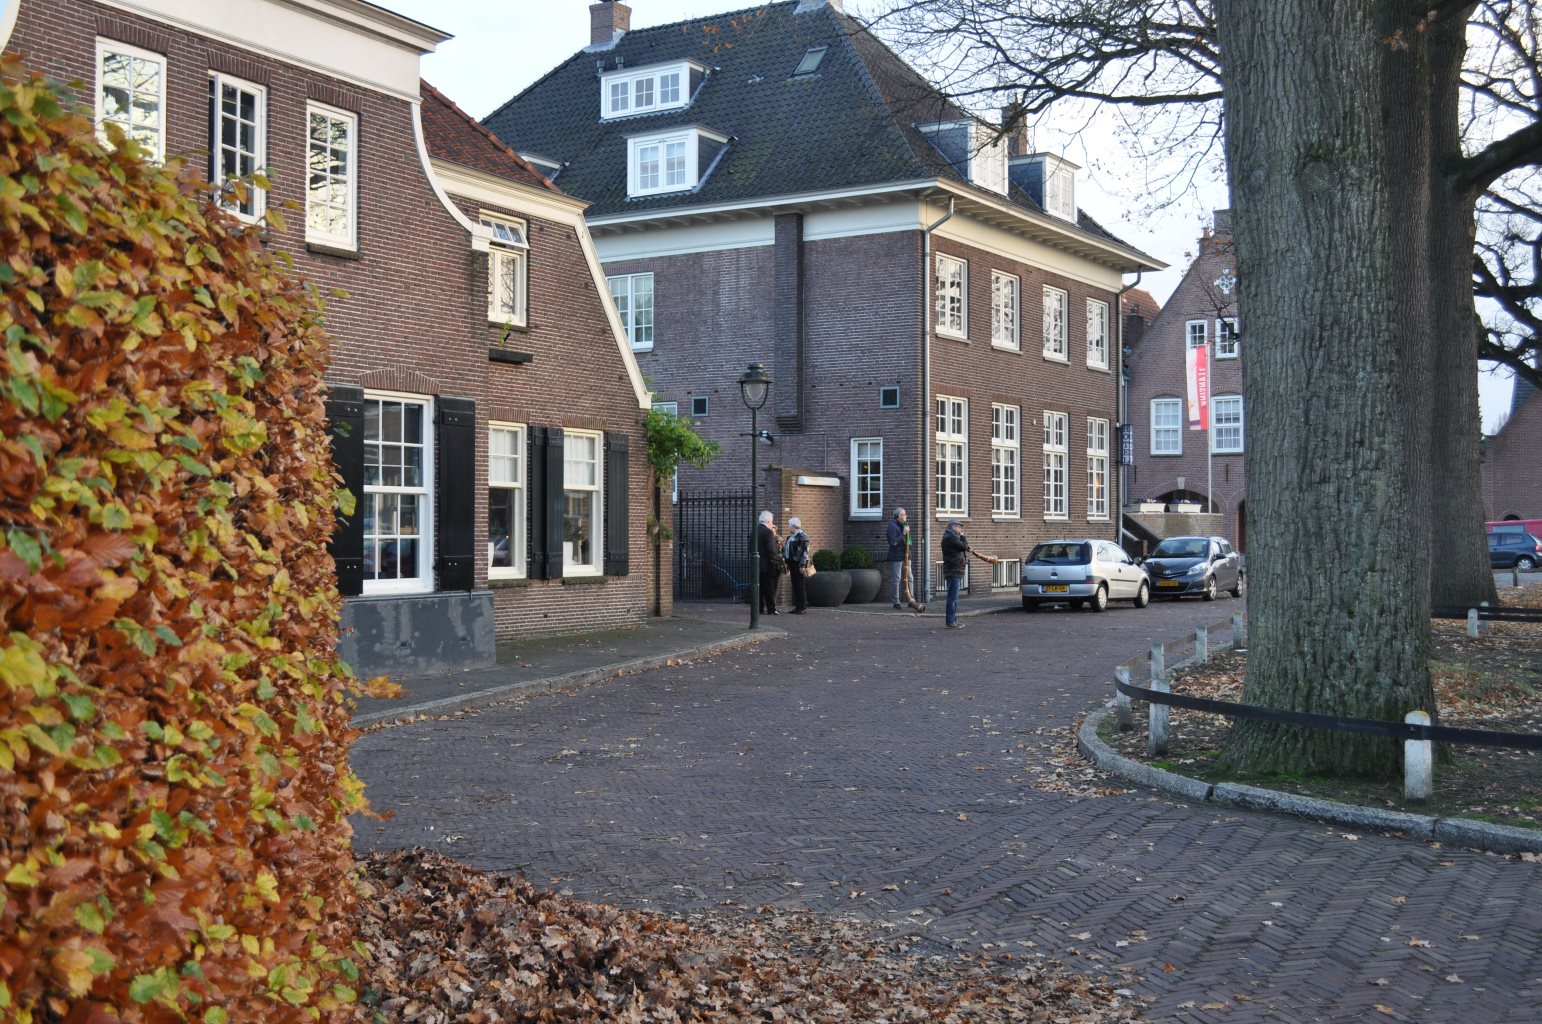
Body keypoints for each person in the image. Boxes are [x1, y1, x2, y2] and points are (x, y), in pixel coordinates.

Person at [940, 520, 997, 629]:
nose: (960, 529)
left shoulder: (951, 537)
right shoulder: (950, 538)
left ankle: (953, 621)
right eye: (959, 527)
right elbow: (964, 546)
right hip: (953, 571)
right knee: (952, 598)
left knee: (954, 598)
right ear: (953, 527)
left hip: (955, 570)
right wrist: (963, 537)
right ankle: (950, 621)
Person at [885, 507, 926, 613]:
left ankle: (911, 600)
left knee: (910, 577)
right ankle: (896, 601)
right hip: (897, 556)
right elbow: (893, 542)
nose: (906, 516)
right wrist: (903, 533)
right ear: (899, 516)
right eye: (904, 514)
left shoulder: (905, 525)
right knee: (897, 579)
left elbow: (908, 542)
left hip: (906, 556)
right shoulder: (892, 526)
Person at [755, 510, 784, 615]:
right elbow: (771, 550)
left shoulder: (755, 530)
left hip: (757, 565)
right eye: (771, 522)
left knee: (759, 588)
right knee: (769, 587)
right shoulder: (768, 532)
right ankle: (771, 609)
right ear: (768, 521)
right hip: (767, 565)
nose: (772, 524)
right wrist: (779, 559)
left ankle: (759, 608)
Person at [783, 516, 811, 614]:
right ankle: (797, 606)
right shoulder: (791, 536)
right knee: (795, 585)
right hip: (792, 563)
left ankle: (802, 607)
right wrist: (787, 565)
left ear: (794, 526)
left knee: (800, 585)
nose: (788, 527)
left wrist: (802, 565)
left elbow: (805, 552)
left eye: (789, 525)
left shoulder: (802, 536)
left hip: (798, 564)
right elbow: (787, 551)